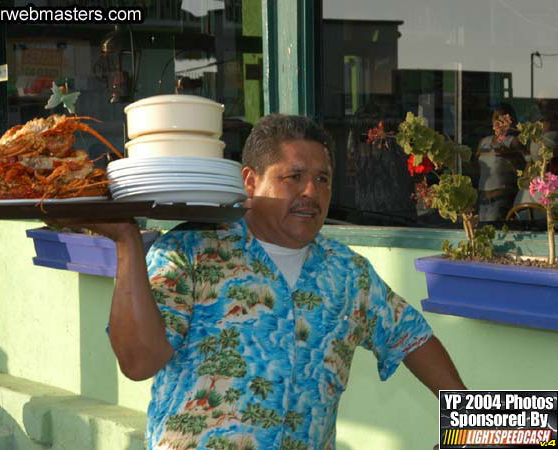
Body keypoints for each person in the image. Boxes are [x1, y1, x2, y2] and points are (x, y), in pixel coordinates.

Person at [74, 114, 465, 449]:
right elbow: (139, 361)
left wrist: (477, 422)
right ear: (249, 181)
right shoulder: (190, 250)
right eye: (294, 177)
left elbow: (412, 337)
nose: (312, 192)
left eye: (323, 179)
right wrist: (128, 244)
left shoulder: (348, 273)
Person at [476, 104, 527, 223]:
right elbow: (474, 167)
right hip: (482, 199)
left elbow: (524, 156)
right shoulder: (484, 142)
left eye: (503, 117)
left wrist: (511, 154)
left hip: (500, 200)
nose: (499, 120)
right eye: (496, 117)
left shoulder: (511, 141)